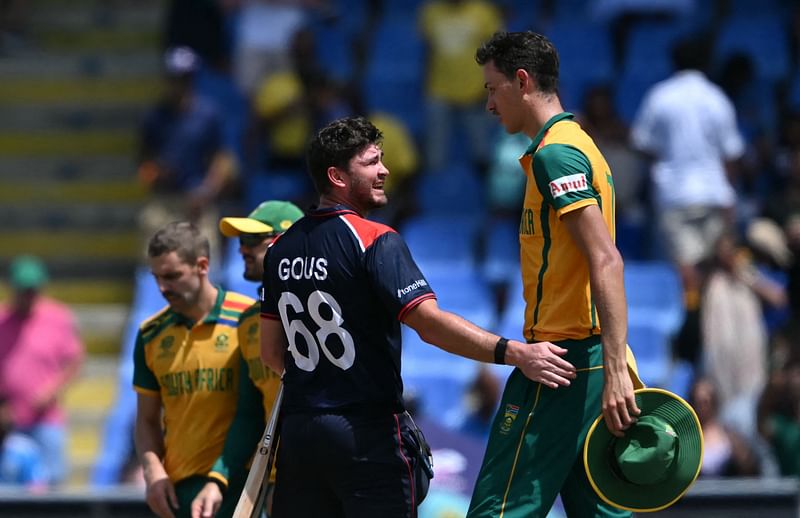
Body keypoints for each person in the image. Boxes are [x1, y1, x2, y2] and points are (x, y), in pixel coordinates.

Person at [259, 116, 578, 518]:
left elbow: (271, 352)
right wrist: (515, 353)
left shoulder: (280, 250)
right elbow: (429, 325)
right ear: (337, 176)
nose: (385, 170)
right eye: (372, 162)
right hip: (365, 433)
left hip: (301, 435)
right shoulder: (375, 239)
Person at [468, 31, 642, 517]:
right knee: (602, 510)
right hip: (583, 362)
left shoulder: (556, 154)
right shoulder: (577, 144)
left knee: (497, 510)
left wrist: (613, 373)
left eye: (492, 88)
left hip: (560, 364)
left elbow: (606, 258)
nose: (488, 104)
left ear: (521, 82)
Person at [630, 34, 745, 366]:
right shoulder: (717, 99)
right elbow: (732, 155)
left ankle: (694, 332)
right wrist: (730, 198)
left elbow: (642, 142)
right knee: (711, 267)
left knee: (686, 269)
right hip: (713, 193)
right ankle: (704, 332)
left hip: (675, 194)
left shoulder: (660, 97)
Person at [133, 222, 255, 518]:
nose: (162, 288)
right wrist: (153, 471)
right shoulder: (151, 334)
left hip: (241, 484)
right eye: (157, 278)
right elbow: (146, 420)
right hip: (180, 493)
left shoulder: (248, 319)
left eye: (172, 276)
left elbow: (258, 411)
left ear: (202, 266)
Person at [190, 200, 304, 518]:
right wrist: (219, 478)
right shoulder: (248, 323)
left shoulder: (321, 310)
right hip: (278, 480)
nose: (242, 248)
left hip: (326, 473)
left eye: (253, 241)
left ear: (284, 243)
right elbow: (249, 414)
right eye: (241, 240)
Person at [137, 46, 238, 265]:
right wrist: (155, 173)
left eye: (184, 78)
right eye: (174, 78)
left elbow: (222, 158)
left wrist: (208, 190)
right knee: (156, 263)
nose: (179, 84)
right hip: (164, 202)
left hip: (199, 204)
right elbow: (144, 161)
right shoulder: (155, 117)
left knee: (204, 263)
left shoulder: (208, 114)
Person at [0, 255, 85, 486]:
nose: (28, 296)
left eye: (32, 290)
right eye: (23, 290)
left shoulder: (57, 318)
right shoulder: (1, 321)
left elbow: (75, 361)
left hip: (45, 420)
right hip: (7, 424)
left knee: (51, 485)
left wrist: (52, 390)